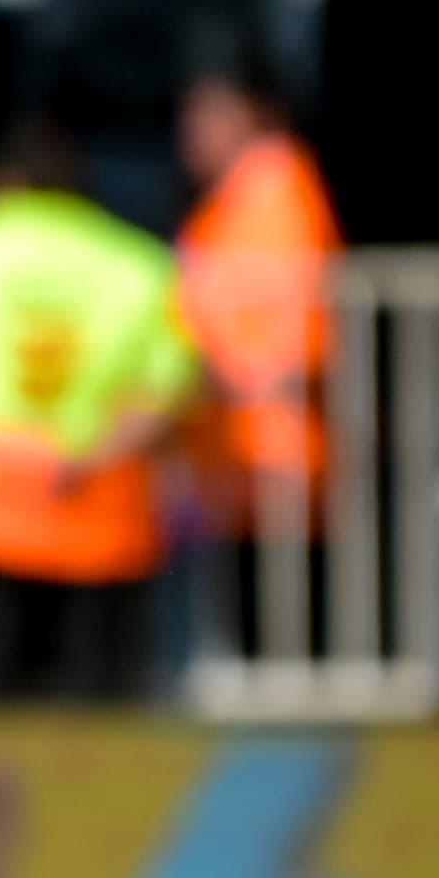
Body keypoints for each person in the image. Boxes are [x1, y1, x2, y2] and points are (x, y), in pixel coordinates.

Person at [0, 121, 198, 699]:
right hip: (100, 489)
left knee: (1, 685)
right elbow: (168, 384)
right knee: (101, 694)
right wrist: (88, 453)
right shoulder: (135, 259)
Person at [175, 61, 343, 656]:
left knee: (285, 638)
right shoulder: (238, 196)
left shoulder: (274, 186)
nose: (194, 132)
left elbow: (291, 323)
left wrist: (237, 382)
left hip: (274, 444)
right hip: (238, 447)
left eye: (212, 115)